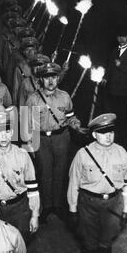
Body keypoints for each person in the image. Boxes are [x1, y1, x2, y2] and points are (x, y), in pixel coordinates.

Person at [67, 113, 127, 253]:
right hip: (88, 204)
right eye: (103, 132)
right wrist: (73, 210)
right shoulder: (83, 154)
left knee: (105, 244)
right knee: (89, 245)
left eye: (111, 131)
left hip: (113, 205)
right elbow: (73, 184)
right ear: (94, 134)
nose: (108, 136)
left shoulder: (121, 152)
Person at [25, 62, 82, 223]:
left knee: (60, 173)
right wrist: (30, 146)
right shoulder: (33, 99)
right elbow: (27, 126)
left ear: (58, 78)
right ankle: (47, 206)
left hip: (61, 138)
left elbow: (71, 117)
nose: (51, 81)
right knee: (44, 173)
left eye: (54, 77)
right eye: (47, 78)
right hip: (41, 139)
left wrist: (76, 124)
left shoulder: (64, 96)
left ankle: (57, 205)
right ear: (41, 80)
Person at [0, 108, 39, 244]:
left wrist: (34, 215)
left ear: (12, 133)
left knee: (20, 245)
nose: (3, 136)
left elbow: (33, 190)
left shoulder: (23, 155)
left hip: (20, 209)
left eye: (7, 131)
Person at [103, 28, 127, 150]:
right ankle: (112, 140)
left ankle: (122, 143)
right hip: (113, 90)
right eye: (119, 37)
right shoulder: (114, 51)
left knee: (123, 118)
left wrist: (121, 65)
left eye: (124, 37)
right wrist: (106, 77)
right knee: (113, 116)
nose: (121, 39)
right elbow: (110, 66)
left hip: (126, 91)